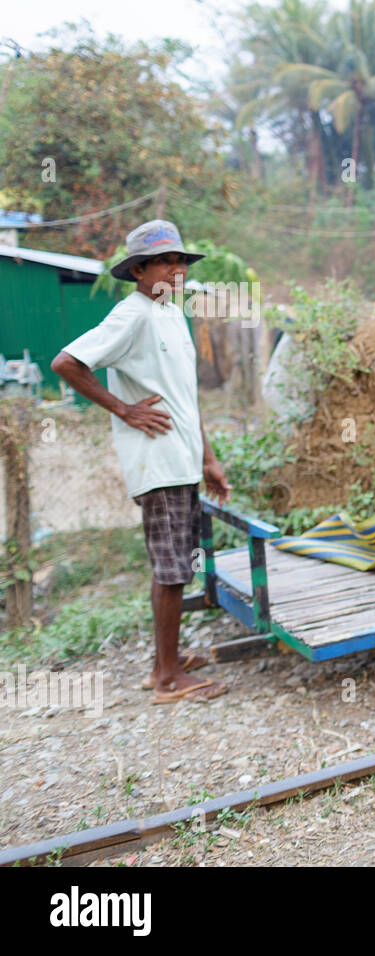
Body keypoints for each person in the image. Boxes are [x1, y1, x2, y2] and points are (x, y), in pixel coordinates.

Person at [51, 220, 232, 704]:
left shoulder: (170, 313)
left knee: (174, 567)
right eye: (166, 262)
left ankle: (162, 667)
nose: (176, 269)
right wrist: (123, 409)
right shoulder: (131, 315)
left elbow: (184, 399)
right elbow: (66, 362)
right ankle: (169, 680)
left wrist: (209, 458)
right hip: (157, 463)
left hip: (183, 459)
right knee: (171, 570)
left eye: (181, 261)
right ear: (139, 269)